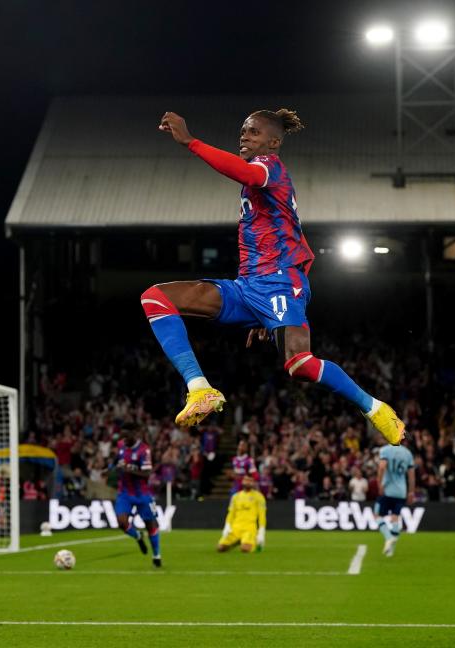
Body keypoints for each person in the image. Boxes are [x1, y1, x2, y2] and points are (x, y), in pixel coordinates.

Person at [147, 109, 405, 446]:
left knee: (300, 365)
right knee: (156, 298)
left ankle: (375, 408)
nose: (244, 137)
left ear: (272, 143)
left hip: (279, 282)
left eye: (252, 132)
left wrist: (190, 141)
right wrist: (261, 313)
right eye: (243, 131)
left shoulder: (270, 169)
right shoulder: (258, 179)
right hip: (247, 287)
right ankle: (199, 389)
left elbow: (246, 175)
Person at [113, 423, 162, 567]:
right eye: (122, 436)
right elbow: (118, 459)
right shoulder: (121, 445)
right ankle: (138, 536)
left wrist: (128, 469)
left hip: (142, 494)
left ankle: (156, 555)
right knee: (122, 523)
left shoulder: (144, 450)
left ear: (135, 434)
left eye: (126, 436)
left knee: (150, 524)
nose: (124, 439)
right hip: (124, 493)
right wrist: (109, 468)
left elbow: (147, 473)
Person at [375, 437, 415, 557]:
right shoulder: (408, 453)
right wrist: (411, 492)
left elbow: (382, 467)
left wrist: (379, 483)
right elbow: (412, 476)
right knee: (395, 517)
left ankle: (388, 537)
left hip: (388, 490)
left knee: (377, 514)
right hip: (402, 491)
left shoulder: (385, 450)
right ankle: (390, 551)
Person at [217, 475, 266, 553]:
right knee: (220, 548)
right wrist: (227, 526)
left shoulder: (259, 497)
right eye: (246, 480)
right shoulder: (236, 497)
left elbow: (262, 515)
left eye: (250, 481)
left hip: (249, 528)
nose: (248, 482)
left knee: (245, 549)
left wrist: (261, 530)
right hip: (235, 528)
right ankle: (238, 541)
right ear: (242, 481)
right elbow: (231, 513)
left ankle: (253, 543)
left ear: (253, 483)